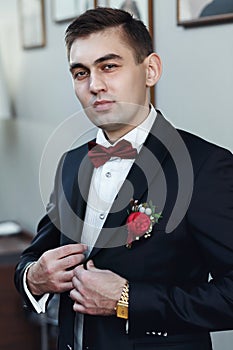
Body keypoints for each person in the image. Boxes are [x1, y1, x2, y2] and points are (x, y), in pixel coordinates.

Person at [14, 7, 233, 350]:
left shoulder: (206, 166)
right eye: (80, 72)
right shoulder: (71, 163)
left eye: (109, 66)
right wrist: (33, 278)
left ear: (150, 70)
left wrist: (128, 300)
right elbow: (37, 256)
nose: (95, 85)